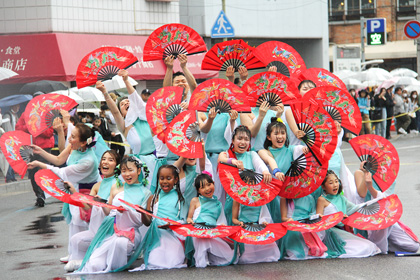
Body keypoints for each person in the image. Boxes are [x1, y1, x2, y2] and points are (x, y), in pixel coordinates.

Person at [27, 123, 101, 263]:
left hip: (86, 192)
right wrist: (40, 151)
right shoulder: (74, 147)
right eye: (71, 136)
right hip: (75, 188)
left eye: (73, 137)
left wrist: (39, 164)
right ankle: (73, 253)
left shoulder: (89, 161)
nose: (70, 139)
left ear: (84, 142)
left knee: (81, 222)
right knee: (73, 221)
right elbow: (58, 160)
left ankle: (84, 255)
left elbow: (62, 173)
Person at [76, 156, 152, 273]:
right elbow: (109, 212)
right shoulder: (116, 187)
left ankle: (119, 265)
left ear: (138, 170)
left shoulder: (146, 193)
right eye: (123, 171)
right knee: (95, 265)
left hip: (129, 231)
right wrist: (100, 203)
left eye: (130, 170)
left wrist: (138, 212)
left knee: (120, 244)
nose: (127, 174)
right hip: (109, 229)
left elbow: (147, 222)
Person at [96, 70, 156, 188]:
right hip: (138, 166)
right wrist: (105, 92)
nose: (126, 104)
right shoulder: (125, 126)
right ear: (122, 113)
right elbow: (115, 112)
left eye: (128, 102)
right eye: (122, 104)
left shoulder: (147, 118)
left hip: (157, 161)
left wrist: (126, 80)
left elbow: (136, 99)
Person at [64, 150, 121, 272]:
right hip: (94, 229)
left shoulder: (118, 185)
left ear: (117, 166)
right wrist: (73, 192)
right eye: (104, 159)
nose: (105, 162)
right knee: (75, 239)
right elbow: (87, 207)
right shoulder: (96, 186)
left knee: (96, 264)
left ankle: (85, 262)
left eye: (111, 160)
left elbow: (111, 212)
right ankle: (81, 262)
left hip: (109, 232)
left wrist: (102, 203)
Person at [130, 165, 187, 271]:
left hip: (173, 236)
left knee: (174, 261)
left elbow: (184, 222)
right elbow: (148, 223)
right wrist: (142, 213)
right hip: (157, 237)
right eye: (162, 178)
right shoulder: (153, 198)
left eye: (168, 178)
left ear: (175, 180)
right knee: (154, 261)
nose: (164, 181)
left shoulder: (180, 199)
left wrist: (172, 225)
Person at [354, 164, 419, 254]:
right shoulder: (359, 173)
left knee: (413, 246)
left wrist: (370, 187)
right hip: (367, 216)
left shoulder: (389, 177)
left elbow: (385, 201)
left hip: (384, 215)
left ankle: (386, 242)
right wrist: (365, 174)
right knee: (378, 248)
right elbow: (362, 194)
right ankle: (379, 244)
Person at [316, 170, 381, 258]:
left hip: (341, 230)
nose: (335, 185)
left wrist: (373, 203)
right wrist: (336, 218)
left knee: (369, 246)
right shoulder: (322, 199)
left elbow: (355, 208)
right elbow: (319, 220)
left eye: (336, 181)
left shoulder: (341, 198)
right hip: (329, 233)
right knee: (362, 248)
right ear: (323, 186)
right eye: (331, 183)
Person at [218, 125, 272, 225]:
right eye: (239, 138)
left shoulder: (251, 154)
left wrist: (265, 171)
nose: (243, 142)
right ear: (232, 141)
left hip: (250, 198)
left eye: (246, 139)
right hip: (233, 199)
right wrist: (233, 161)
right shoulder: (227, 154)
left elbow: (260, 165)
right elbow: (220, 160)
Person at [184, 173, 235, 267]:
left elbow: (220, 222)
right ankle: (201, 262)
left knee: (229, 256)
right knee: (202, 239)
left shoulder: (218, 204)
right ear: (198, 190)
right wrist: (190, 221)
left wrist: (221, 226)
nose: (207, 189)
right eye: (203, 187)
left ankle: (209, 258)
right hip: (197, 230)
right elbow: (189, 217)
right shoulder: (195, 200)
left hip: (212, 231)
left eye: (209, 184)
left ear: (214, 183)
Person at [15, 114, 55, 207]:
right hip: (29, 148)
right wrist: (29, 126)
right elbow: (18, 128)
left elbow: (49, 133)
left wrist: (38, 127)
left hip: (44, 148)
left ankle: (42, 194)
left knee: (41, 171)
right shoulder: (26, 114)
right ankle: (38, 195)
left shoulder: (47, 115)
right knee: (32, 172)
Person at [284, 80, 316, 145]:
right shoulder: (291, 111)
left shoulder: (321, 111)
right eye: (305, 89)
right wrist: (298, 133)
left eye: (312, 89)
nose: (308, 91)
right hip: (299, 149)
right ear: (299, 92)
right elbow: (297, 133)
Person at [2, 104, 20, 183]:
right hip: (9, 140)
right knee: (9, 159)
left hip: (14, 140)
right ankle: (9, 176)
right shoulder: (7, 115)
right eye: (16, 106)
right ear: (12, 106)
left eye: (18, 106)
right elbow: (7, 128)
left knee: (13, 158)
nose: (17, 108)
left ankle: (12, 176)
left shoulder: (15, 115)